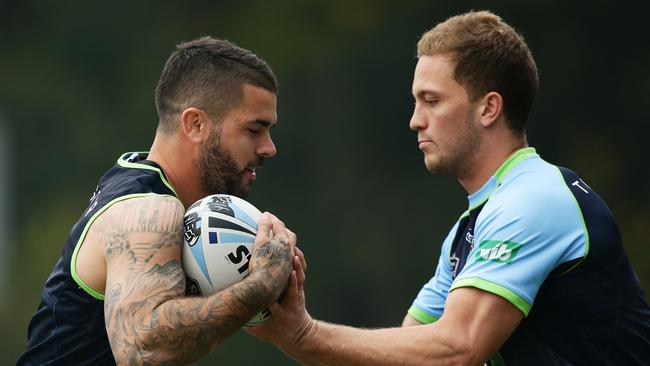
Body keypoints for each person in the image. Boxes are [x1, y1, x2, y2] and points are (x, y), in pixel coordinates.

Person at [248, 10, 650, 365]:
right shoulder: (468, 232)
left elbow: (456, 349)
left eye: (431, 101)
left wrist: (305, 333)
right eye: (415, 101)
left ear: (489, 108)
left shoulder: (534, 201)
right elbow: (407, 353)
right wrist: (292, 328)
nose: (415, 120)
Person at [18, 36, 301, 365]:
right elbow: (144, 350)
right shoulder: (147, 209)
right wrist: (261, 285)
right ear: (195, 124)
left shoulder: (146, 184)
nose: (269, 148)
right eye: (254, 129)